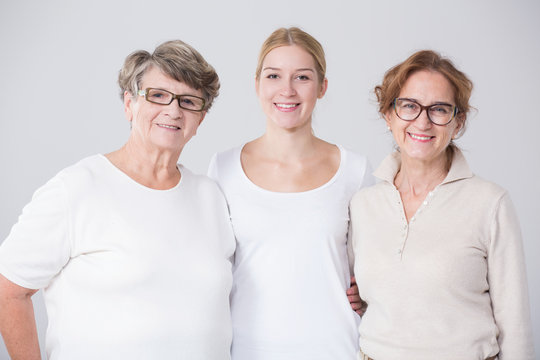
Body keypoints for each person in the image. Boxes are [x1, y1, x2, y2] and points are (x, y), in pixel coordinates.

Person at [0, 40, 235, 360]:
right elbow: (8, 291)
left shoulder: (212, 197)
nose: (173, 110)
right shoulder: (77, 189)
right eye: (158, 95)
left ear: (200, 119)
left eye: (189, 101)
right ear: (129, 103)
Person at [350, 50, 535, 360]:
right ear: (388, 114)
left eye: (438, 109)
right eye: (409, 106)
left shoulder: (490, 203)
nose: (422, 122)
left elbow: (515, 327)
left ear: (457, 121)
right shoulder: (364, 203)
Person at [208, 27, 372, 360]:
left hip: (336, 349)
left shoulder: (354, 170)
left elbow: (377, 264)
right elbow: (211, 268)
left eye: (302, 77)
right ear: (257, 85)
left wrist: (371, 293)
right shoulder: (223, 168)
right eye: (274, 76)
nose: (287, 90)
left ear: (322, 87)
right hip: (248, 351)